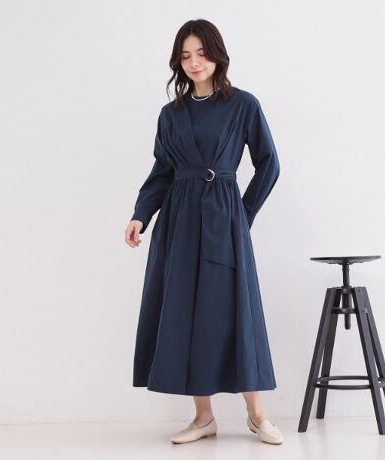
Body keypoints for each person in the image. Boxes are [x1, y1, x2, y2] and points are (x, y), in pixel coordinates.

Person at [124, 19, 283, 445]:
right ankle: (203, 417)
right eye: (186, 55)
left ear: (217, 55)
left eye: (202, 53)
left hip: (223, 219)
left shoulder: (243, 105)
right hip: (179, 222)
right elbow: (162, 171)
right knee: (186, 311)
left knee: (235, 310)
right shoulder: (171, 114)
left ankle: (256, 415)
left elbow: (269, 164)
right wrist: (141, 214)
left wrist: (242, 214)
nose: (194, 62)